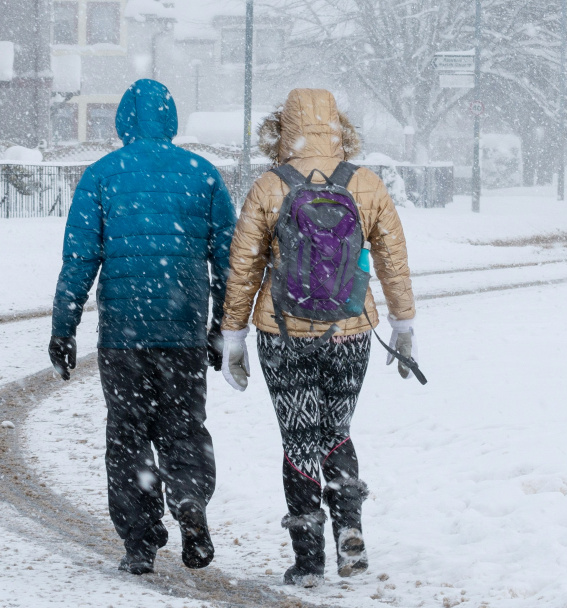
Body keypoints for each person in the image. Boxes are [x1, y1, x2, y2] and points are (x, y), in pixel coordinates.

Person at [219, 88, 416, 588]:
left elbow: (243, 267)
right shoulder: (365, 183)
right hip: (350, 331)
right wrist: (404, 323)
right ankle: (350, 531)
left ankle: (308, 559)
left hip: (282, 333)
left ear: (282, 130)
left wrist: (234, 335)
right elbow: (393, 258)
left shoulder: (270, 185)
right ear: (339, 127)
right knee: (337, 432)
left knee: (299, 439)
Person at [49, 79, 234, 575]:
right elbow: (229, 261)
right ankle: (190, 500)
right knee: (184, 430)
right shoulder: (203, 174)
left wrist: (63, 328)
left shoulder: (102, 175)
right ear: (171, 119)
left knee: (128, 435)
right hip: (183, 330)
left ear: (124, 121)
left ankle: (139, 540)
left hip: (124, 334)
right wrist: (222, 326)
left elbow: (80, 258)